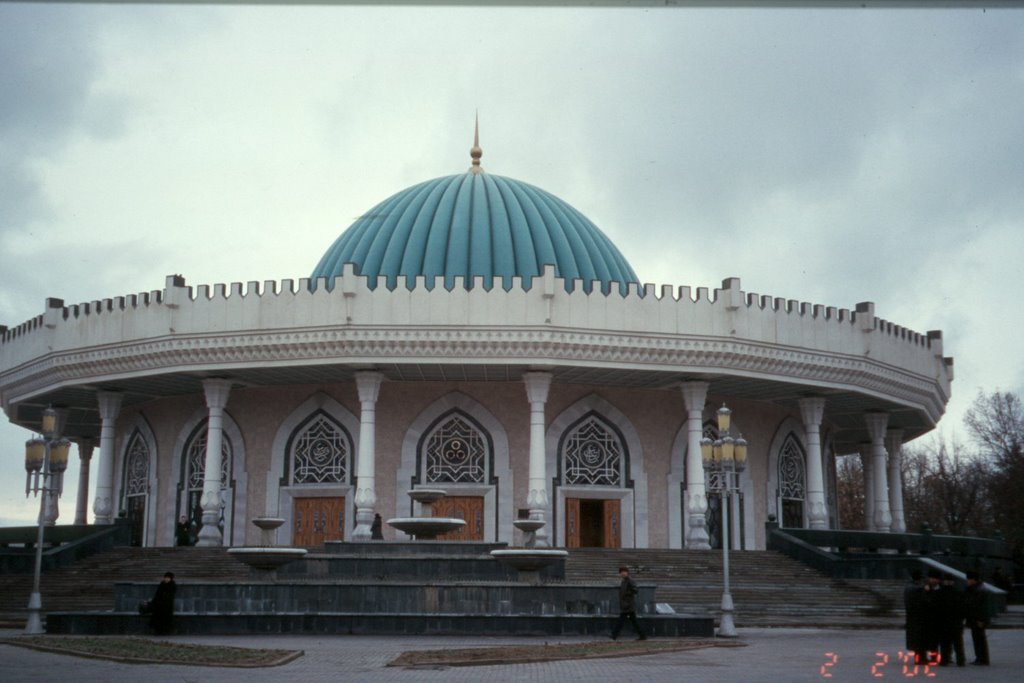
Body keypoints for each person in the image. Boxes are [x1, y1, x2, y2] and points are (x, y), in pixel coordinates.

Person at [610, 566, 647, 641]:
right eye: (621, 572)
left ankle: (614, 635)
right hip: (625, 605)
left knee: (621, 621)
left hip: (628, 605)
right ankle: (642, 635)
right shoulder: (624, 581)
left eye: (624, 572)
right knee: (633, 621)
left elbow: (636, 590)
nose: (622, 573)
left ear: (627, 572)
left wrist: (627, 594)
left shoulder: (630, 580)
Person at [936, 573, 965, 667]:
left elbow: (936, 608)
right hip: (956, 622)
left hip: (943, 621)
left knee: (944, 642)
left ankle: (945, 659)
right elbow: (962, 608)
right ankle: (960, 660)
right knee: (958, 642)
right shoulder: (958, 593)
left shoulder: (939, 593)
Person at [963, 570, 990, 665]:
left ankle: (982, 658)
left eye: (968, 579)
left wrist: (981, 619)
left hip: (977, 618)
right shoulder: (977, 588)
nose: (967, 581)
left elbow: (981, 607)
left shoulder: (979, 590)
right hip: (975, 617)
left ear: (973, 580)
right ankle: (980, 657)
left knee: (979, 639)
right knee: (978, 638)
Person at [903, 569, 928, 663]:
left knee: (918, 639)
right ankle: (920, 659)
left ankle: (921, 658)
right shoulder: (914, 588)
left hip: (913, 616)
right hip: (916, 616)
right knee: (919, 638)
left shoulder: (910, 587)